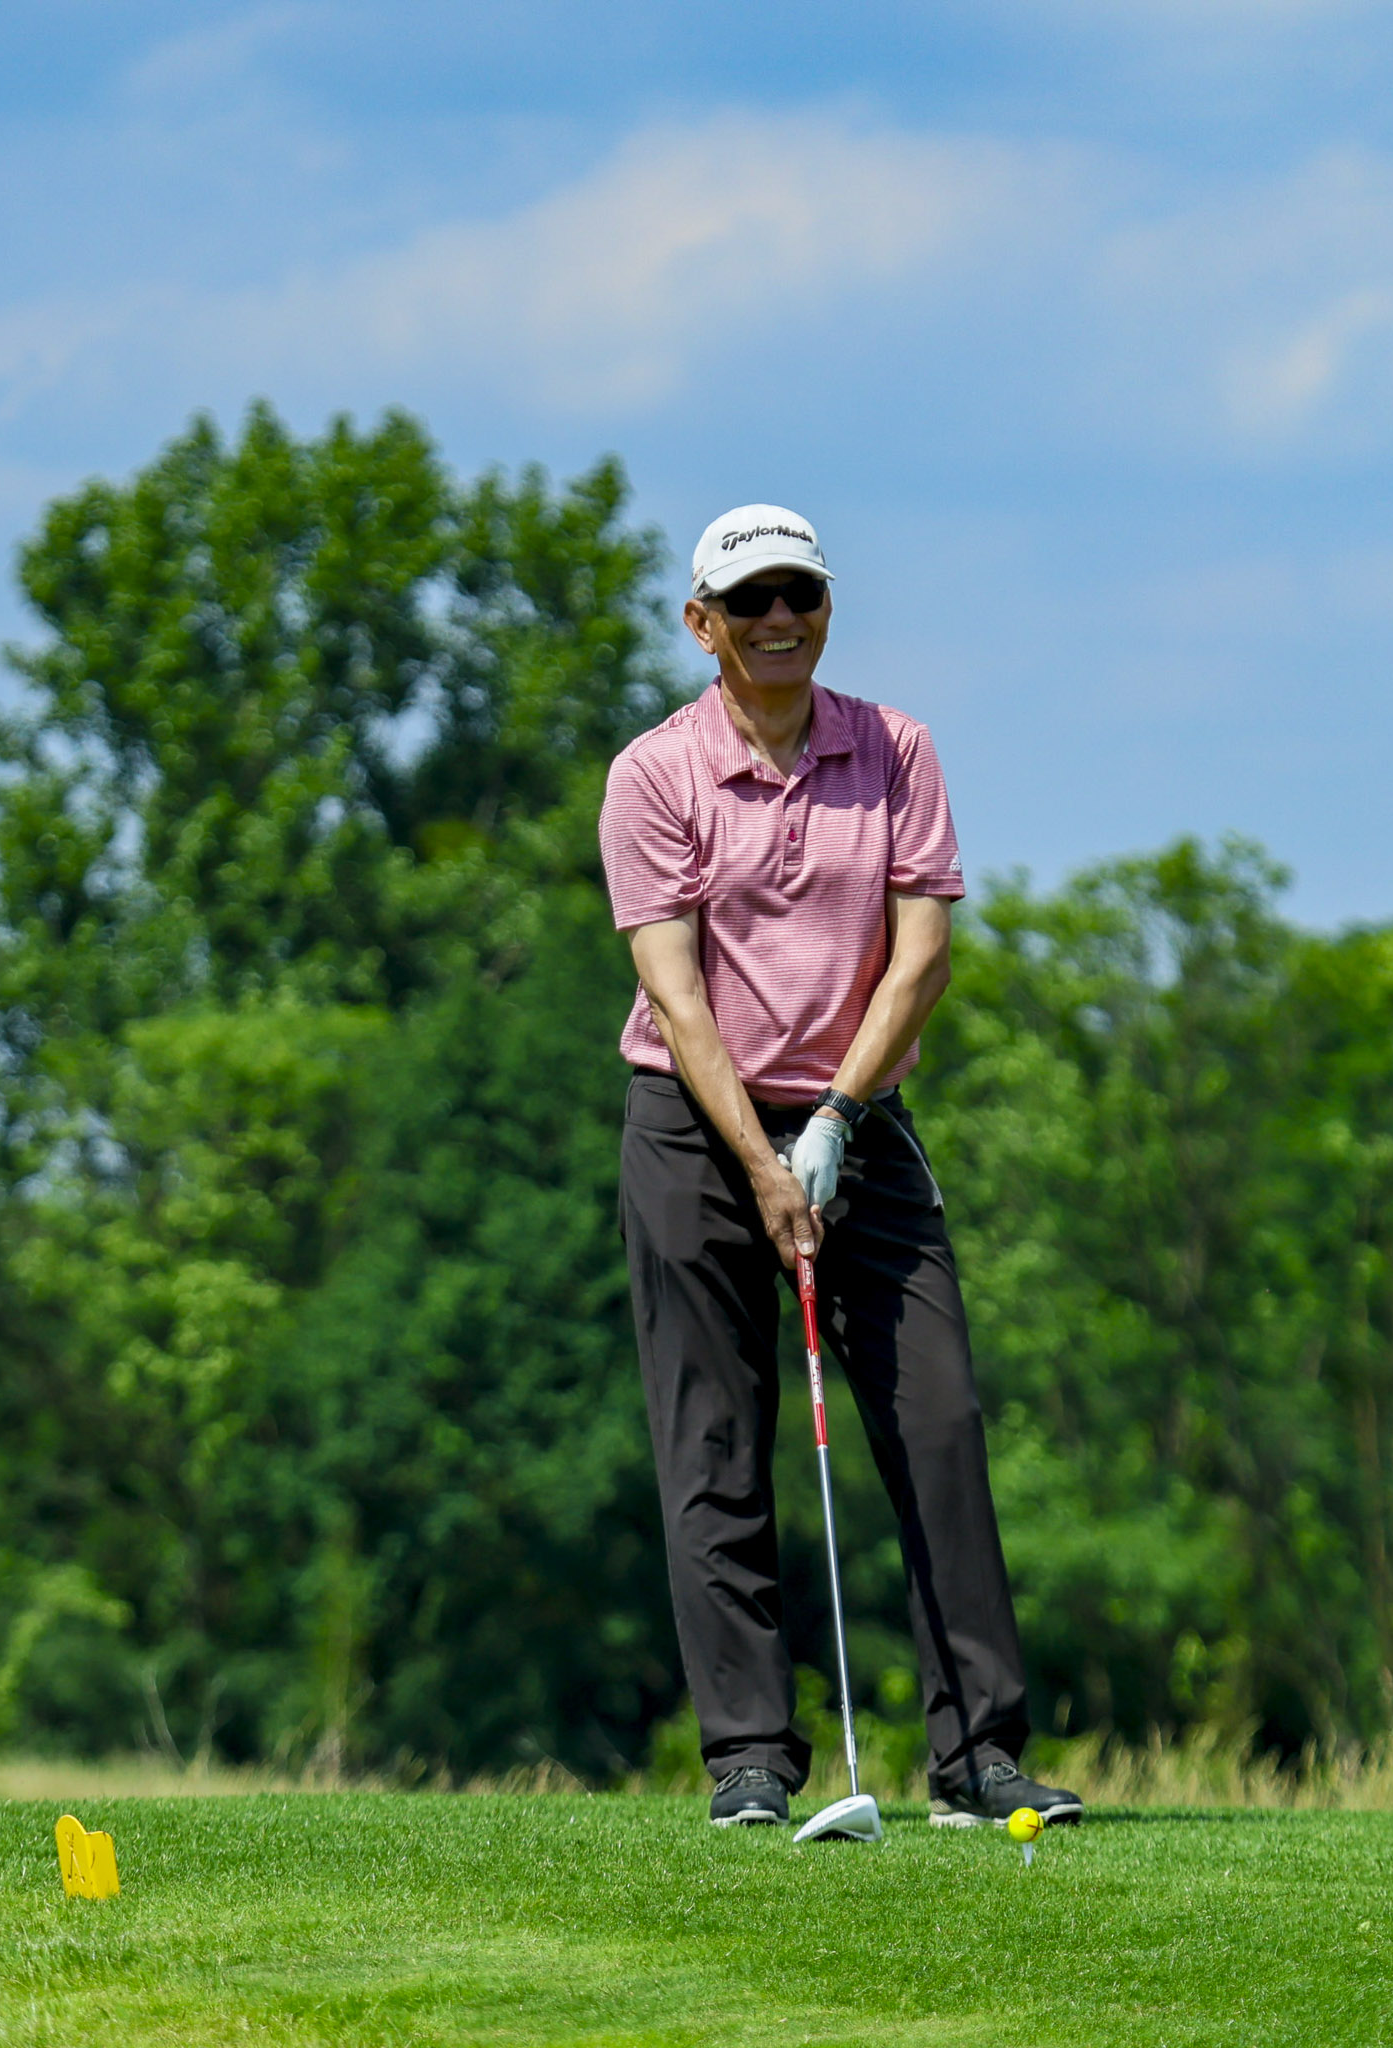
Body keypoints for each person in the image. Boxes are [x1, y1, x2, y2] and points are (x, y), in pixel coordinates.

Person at [600, 503, 1082, 1831]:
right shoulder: (656, 775)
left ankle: (977, 1760)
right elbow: (676, 994)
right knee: (715, 1442)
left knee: (939, 1422)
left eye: (798, 596)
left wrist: (837, 1123)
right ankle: (751, 1757)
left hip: (855, 1117)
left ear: (825, 610)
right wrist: (761, 1161)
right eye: (747, 601)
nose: (777, 620)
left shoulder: (895, 750)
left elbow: (921, 955)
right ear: (702, 623)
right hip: (695, 1130)